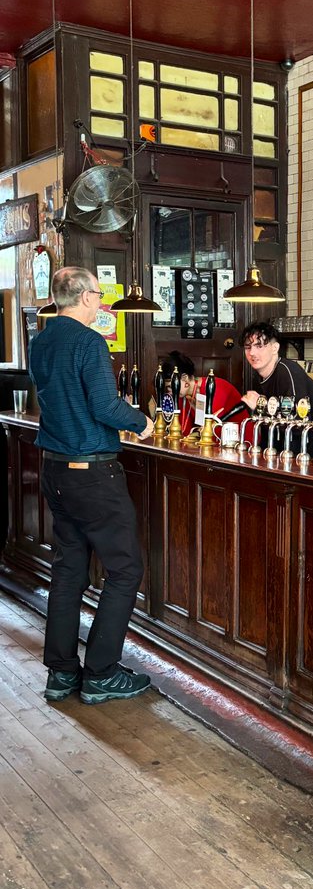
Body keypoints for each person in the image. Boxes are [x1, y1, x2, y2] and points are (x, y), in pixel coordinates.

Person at [28, 267, 154, 705]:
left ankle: (61, 674)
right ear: (83, 297)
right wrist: (141, 423)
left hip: (55, 470)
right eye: (99, 295)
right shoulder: (88, 341)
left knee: (68, 570)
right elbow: (103, 405)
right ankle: (101, 673)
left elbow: (62, 399)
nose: (101, 303)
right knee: (124, 570)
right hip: (92, 473)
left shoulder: (40, 341)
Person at [239, 321, 313, 410]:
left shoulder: (288, 371)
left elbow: (295, 418)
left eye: (259, 346)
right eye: (248, 347)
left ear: (274, 348)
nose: (252, 353)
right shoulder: (258, 375)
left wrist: (261, 407)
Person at [164, 350, 249, 437]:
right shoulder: (183, 395)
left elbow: (211, 429)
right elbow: (184, 430)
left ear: (185, 378)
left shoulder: (214, 387)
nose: (170, 392)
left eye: (171, 386)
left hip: (240, 439)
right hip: (214, 441)